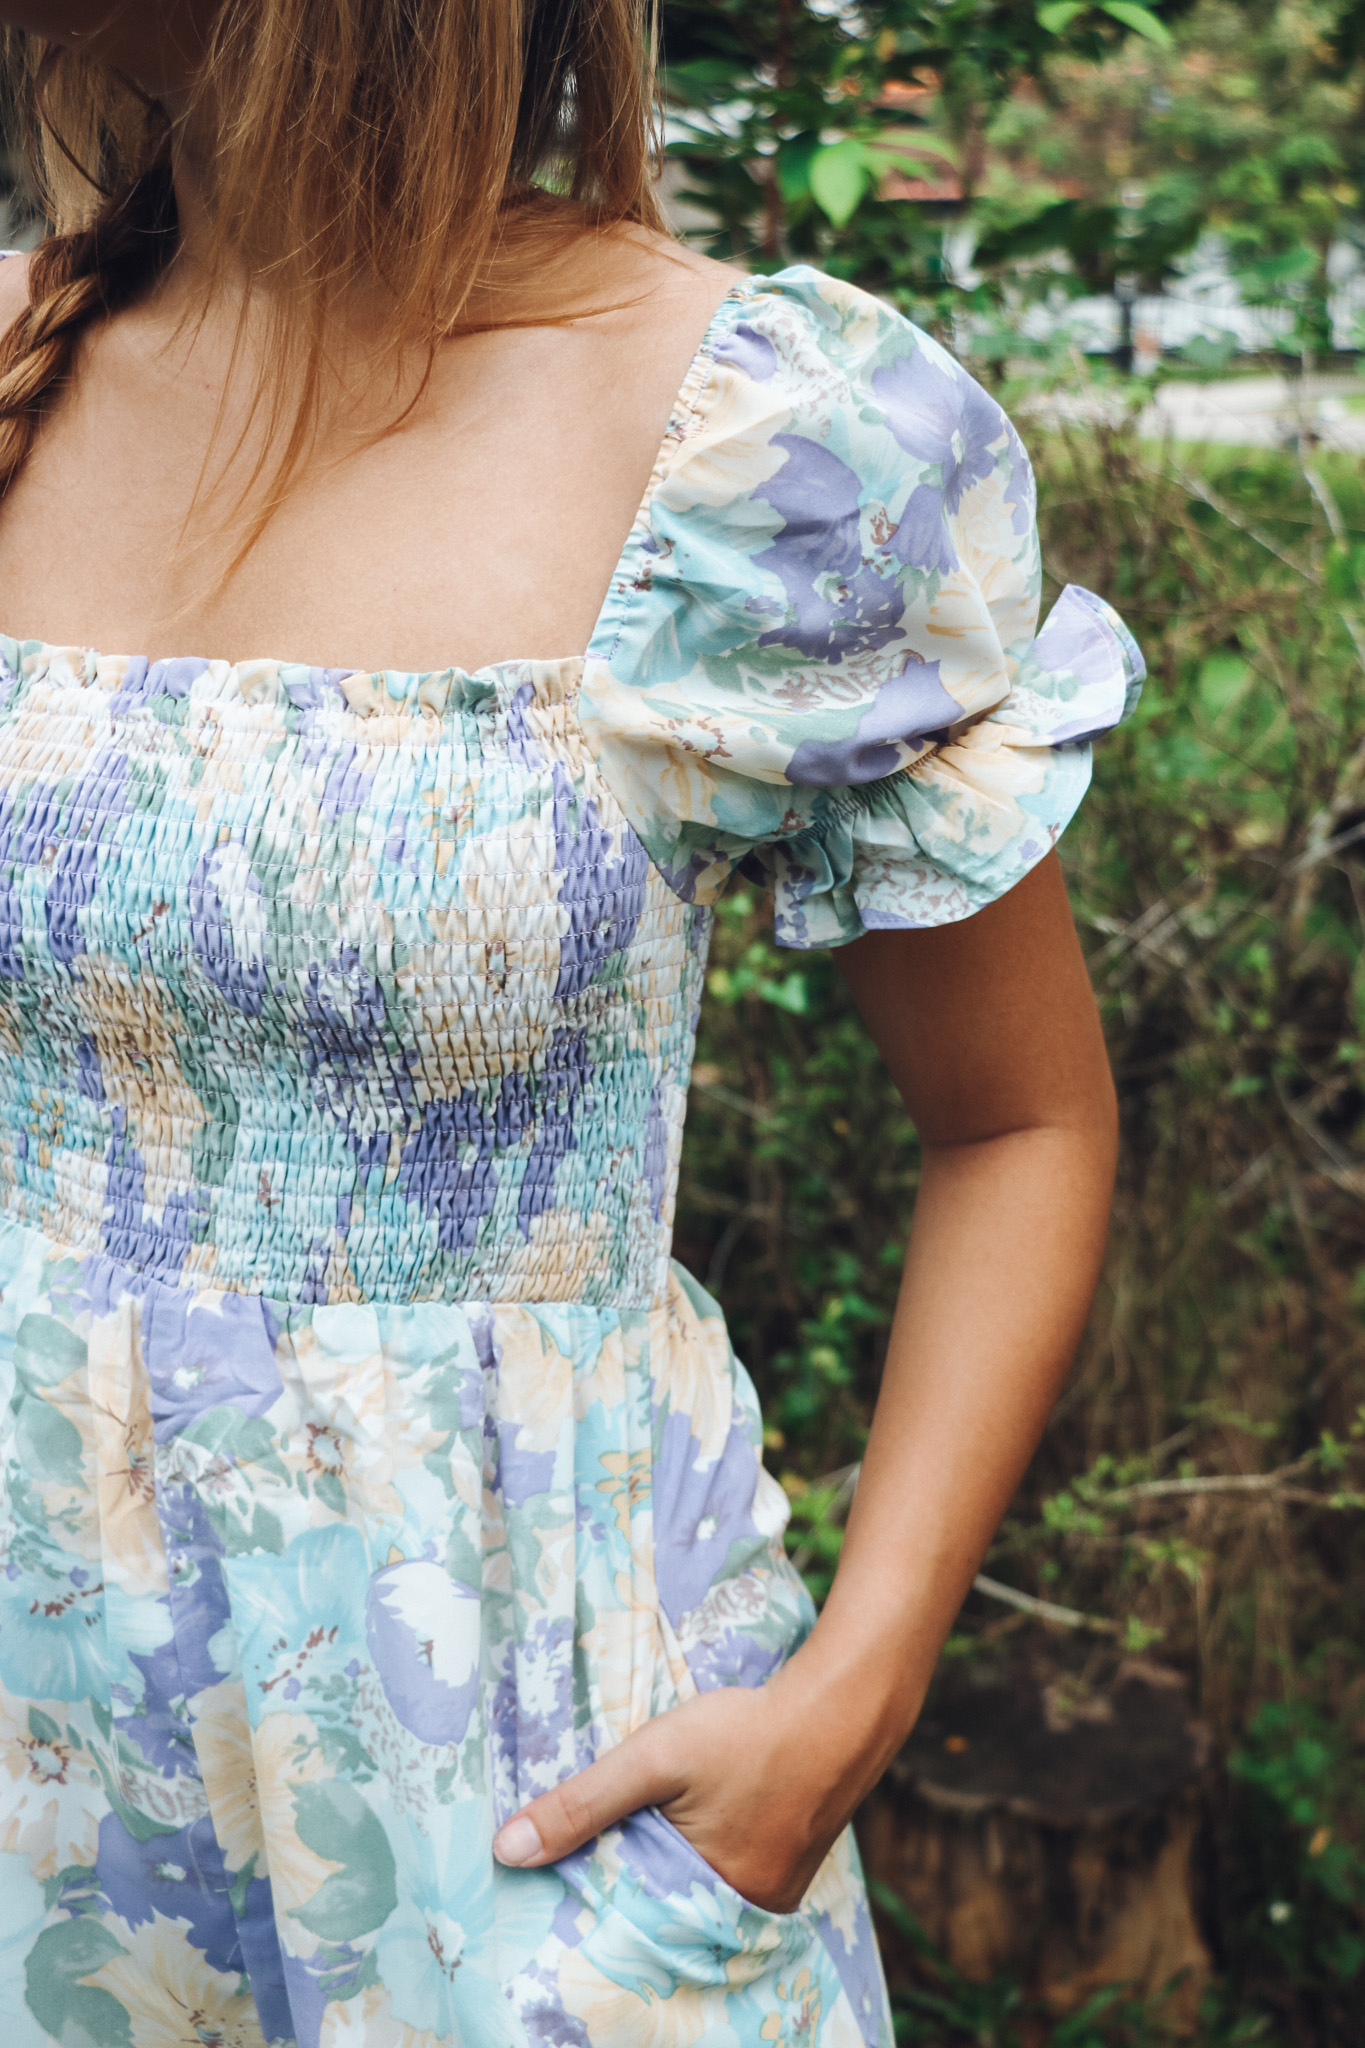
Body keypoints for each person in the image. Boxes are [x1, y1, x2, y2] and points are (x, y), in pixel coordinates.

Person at [0, 4, 1141, 2043]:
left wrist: (846, 1699)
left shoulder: (756, 439)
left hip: (512, 1810)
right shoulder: (22, 361)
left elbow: (1017, 1121)